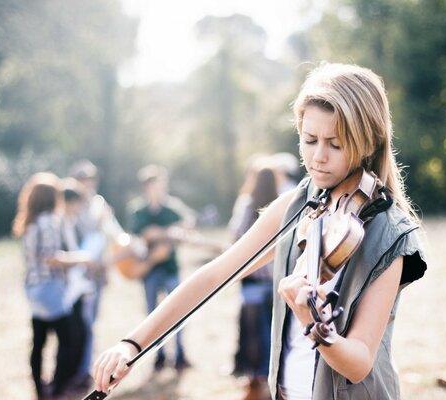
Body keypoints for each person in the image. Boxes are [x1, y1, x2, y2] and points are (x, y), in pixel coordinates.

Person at [93, 63, 427, 400]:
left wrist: (313, 323)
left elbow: (359, 363)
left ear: (369, 142)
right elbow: (215, 275)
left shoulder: (388, 233)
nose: (318, 157)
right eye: (309, 140)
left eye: (335, 145)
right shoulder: (295, 205)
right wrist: (132, 343)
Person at [12, 172, 94, 400]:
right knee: (70, 339)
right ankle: (57, 389)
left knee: (38, 341)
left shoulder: (28, 220)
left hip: (32, 288)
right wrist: (81, 258)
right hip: (50, 289)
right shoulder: (48, 221)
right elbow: (51, 257)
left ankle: (40, 389)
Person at [125, 164, 196, 372]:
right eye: (157, 185)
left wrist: (173, 231)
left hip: (170, 268)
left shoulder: (173, 207)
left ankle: (180, 355)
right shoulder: (138, 210)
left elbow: (187, 224)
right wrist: (167, 232)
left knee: (179, 312)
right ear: (147, 187)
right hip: (149, 270)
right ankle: (159, 356)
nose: (161, 189)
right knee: (152, 316)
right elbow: (144, 233)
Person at [68, 160, 127, 390]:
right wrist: (98, 220)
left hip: (96, 273)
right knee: (77, 326)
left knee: (90, 324)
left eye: (91, 179)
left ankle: (84, 370)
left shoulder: (98, 202)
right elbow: (80, 231)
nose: (89, 184)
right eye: (84, 179)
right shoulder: (72, 203)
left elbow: (112, 234)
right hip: (75, 273)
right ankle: (76, 369)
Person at [229, 166, 278, 399]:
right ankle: (271, 378)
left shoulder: (247, 205)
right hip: (275, 282)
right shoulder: (280, 205)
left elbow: (236, 234)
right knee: (272, 333)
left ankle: (254, 379)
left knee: (251, 334)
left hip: (252, 282)